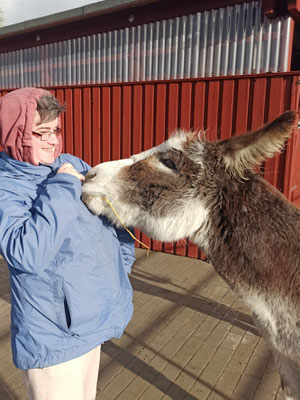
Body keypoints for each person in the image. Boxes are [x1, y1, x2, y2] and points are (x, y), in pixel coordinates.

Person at [0, 87, 136, 400]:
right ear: (15, 134)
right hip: (54, 334)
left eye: (56, 130)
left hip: (92, 319)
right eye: (40, 132)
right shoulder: (7, 187)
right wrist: (62, 185)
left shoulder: (70, 162)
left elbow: (112, 216)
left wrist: (120, 266)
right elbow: (25, 253)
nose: (52, 139)